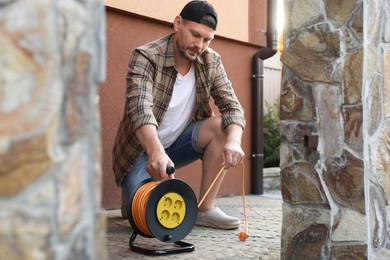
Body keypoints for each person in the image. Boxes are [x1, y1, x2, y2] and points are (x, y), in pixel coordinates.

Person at [112, 0, 246, 230]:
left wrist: (234, 141)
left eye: (207, 39)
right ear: (177, 24)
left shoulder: (211, 61)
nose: (200, 45)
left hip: (176, 146)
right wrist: (155, 153)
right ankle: (134, 191)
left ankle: (206, 209)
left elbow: (233, 108)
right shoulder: (146, 57)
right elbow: (140, 109)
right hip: (139, 153)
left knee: (223, 127)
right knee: (152, 220)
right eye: (195, 35)